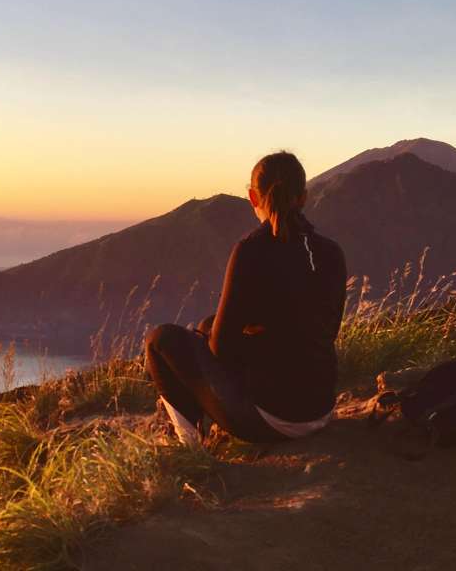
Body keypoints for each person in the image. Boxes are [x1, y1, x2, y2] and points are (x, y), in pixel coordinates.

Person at [145, 151, 347, 445]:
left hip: (273, 420)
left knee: (160, 339)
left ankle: (189, 446)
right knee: (207, 324)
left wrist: (242, 335)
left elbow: (221, 348)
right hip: (321, 409)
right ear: (303, 197)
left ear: (253, 198)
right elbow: (325, 332)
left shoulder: (251, 250)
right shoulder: (331, 251)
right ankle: (200, 429)